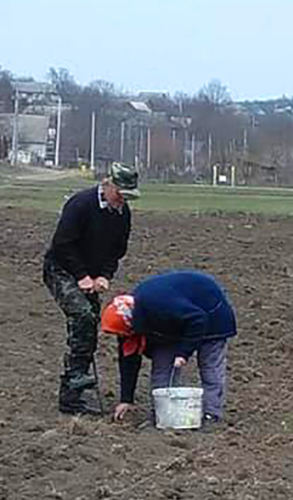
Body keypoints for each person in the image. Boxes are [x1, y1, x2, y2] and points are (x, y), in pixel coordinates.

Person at [43, 161, 139, 414]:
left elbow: (117, 250)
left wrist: (104, 275)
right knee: (82, 316)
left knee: (91, 321)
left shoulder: (122, 214)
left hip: (92, 274)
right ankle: (74, 379)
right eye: (119, 195)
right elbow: (62, 244)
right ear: (107, 184)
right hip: (61, 269)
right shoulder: (81, 204)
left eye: (127, 197)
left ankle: (72, 396)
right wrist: (82, 275)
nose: (122, 201)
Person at [100, 270, 237, 426]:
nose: (123, 337)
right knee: (162, 367)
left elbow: (198, 319)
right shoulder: (129, 319)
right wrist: (126, 400)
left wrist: (183, 353)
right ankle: (163, 414)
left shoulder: (159, 306)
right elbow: (128, 361)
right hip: (175, 324)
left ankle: (211, 414)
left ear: (131, 324)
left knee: (209, 366)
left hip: (211, 315)